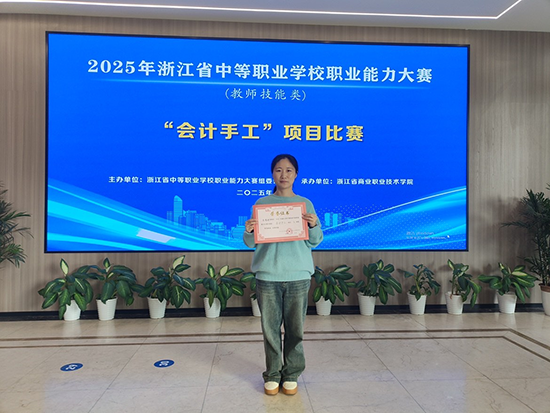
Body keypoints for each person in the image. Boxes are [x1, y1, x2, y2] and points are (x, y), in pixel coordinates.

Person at [243, 154, 323, 396]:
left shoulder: (305, 204)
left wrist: (314, 225)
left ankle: (291, 374)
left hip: (298, 275)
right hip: (268, 276)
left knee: (295, 329)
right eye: (279, 170)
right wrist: (249, 231)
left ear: (296, 174)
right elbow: (251, 243)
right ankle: (273, 374)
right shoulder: (262, 203)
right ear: (272, 174)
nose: (284, 175)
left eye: (289, 170)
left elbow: (315, 241)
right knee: (270, 330)